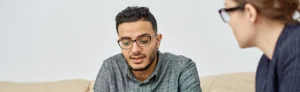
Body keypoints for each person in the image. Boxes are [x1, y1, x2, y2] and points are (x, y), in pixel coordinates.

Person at [93, 6, 202, 92]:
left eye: (143, 41)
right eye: (126, 42)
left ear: (158, 40)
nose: (135, 50)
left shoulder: (182, 68)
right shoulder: (109, 68)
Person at [218, 0, 300, 91]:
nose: (229, 22)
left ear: (250, 13)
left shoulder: (296, 50)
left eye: (228, 11)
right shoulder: (265, 65)